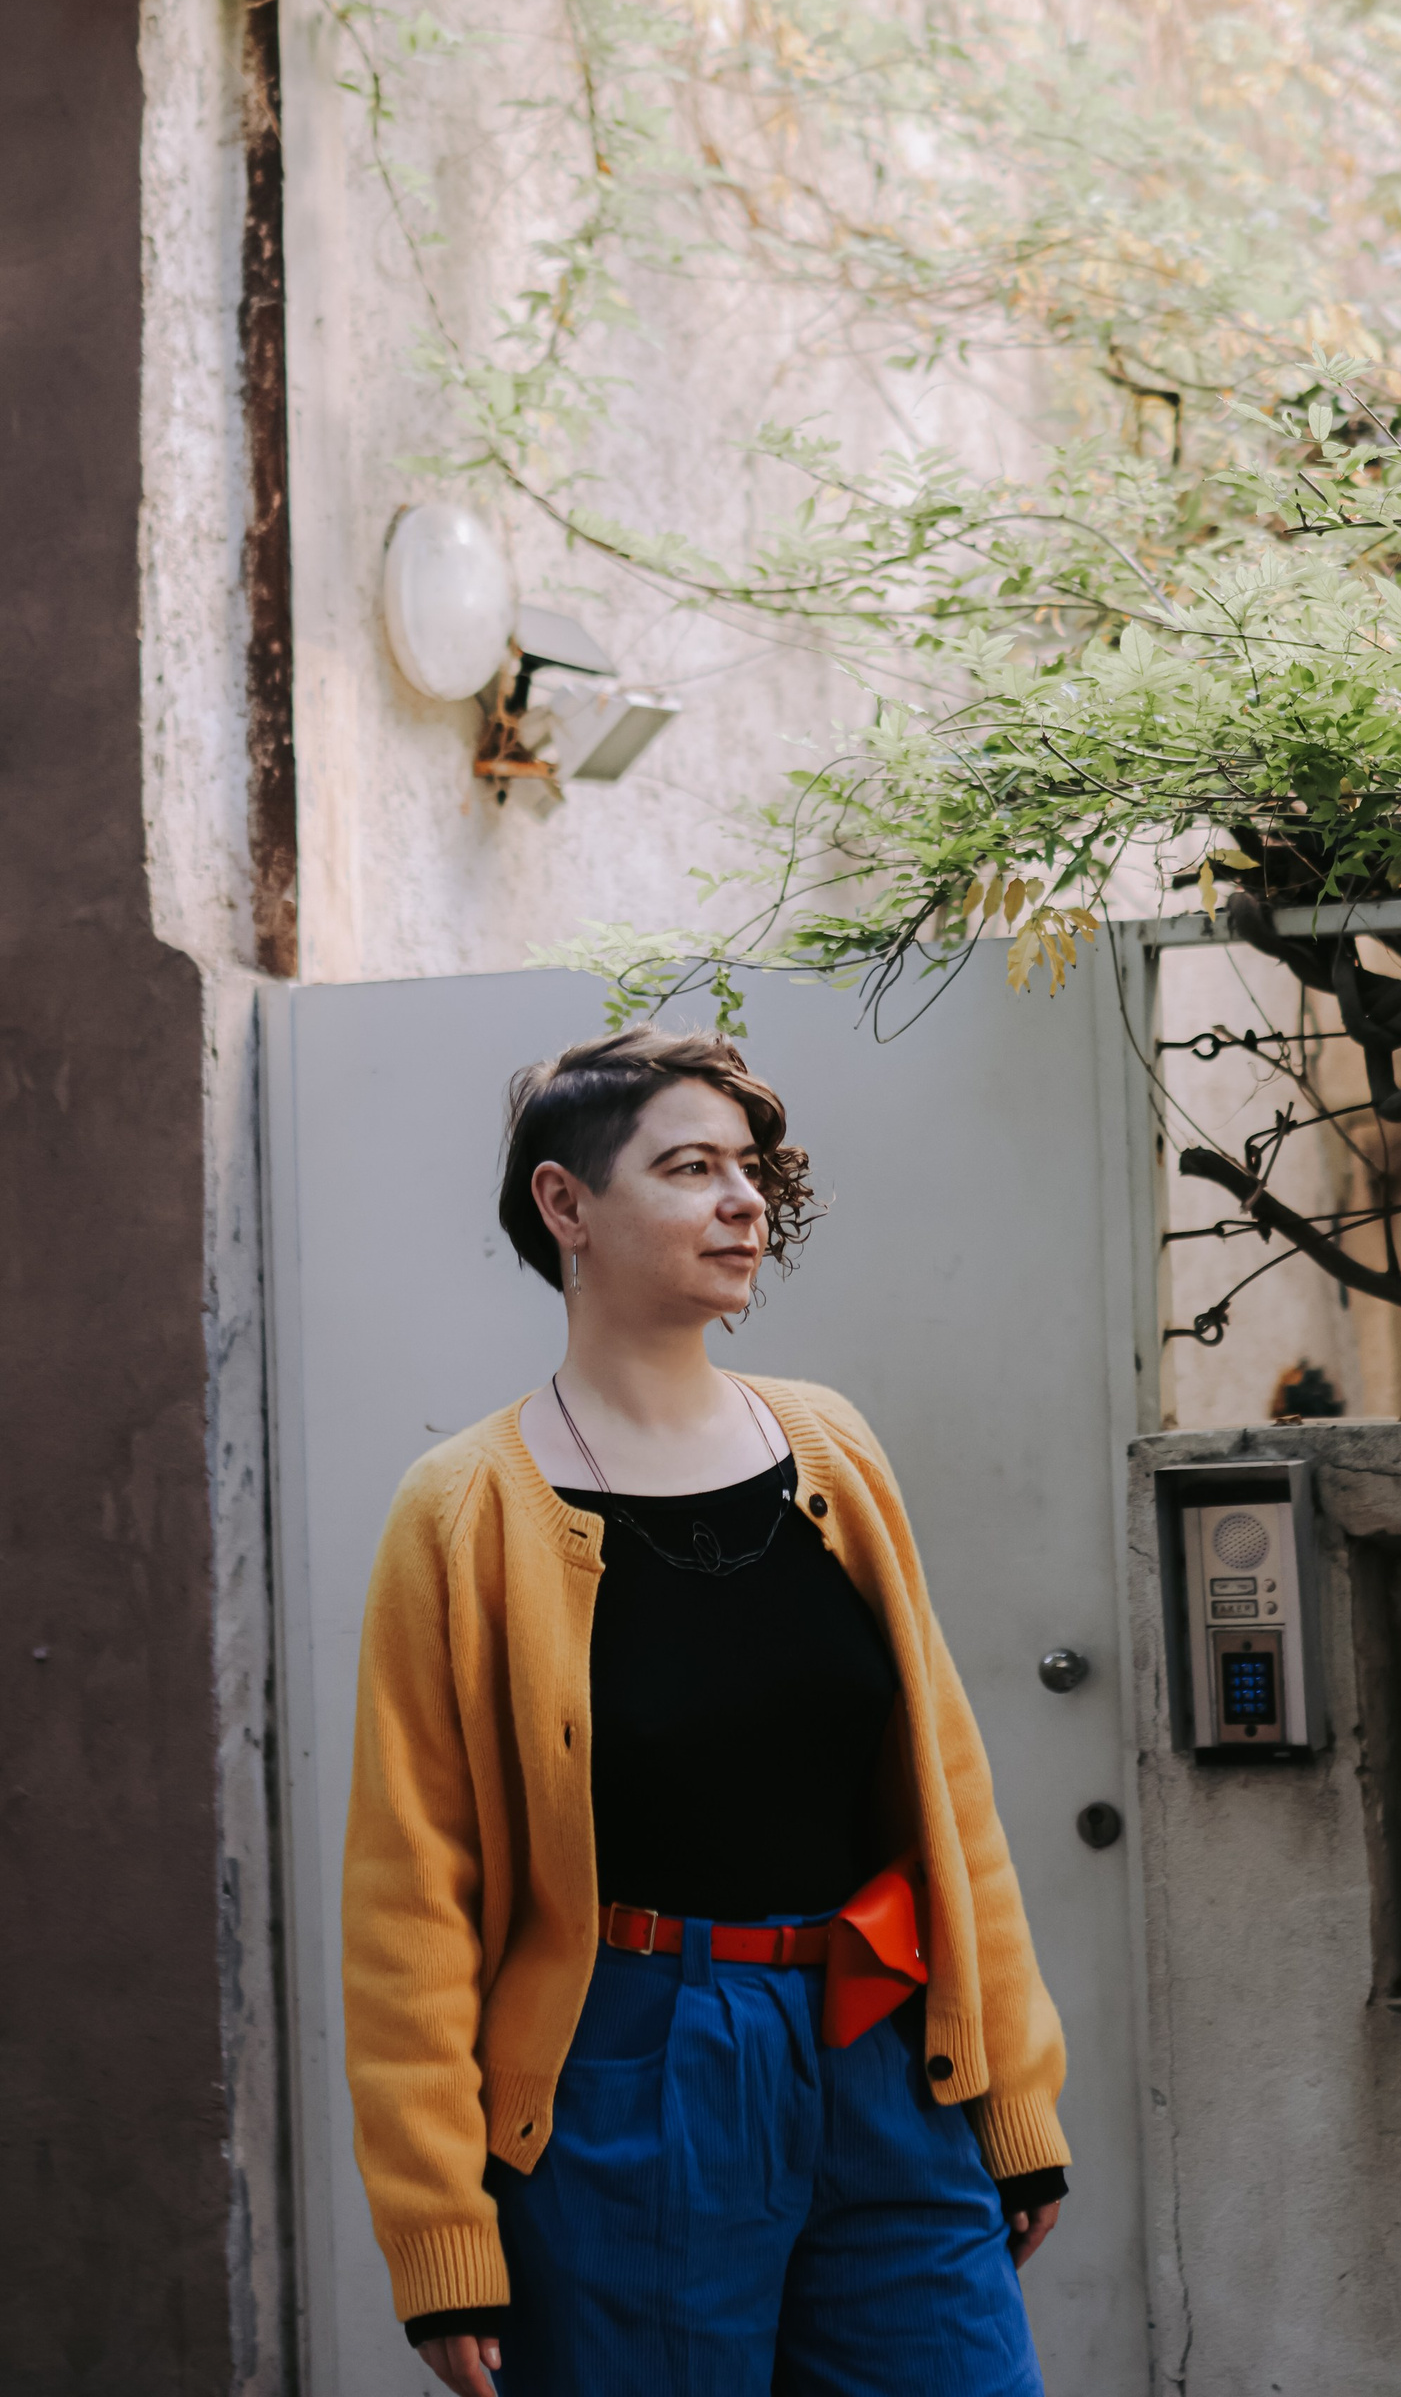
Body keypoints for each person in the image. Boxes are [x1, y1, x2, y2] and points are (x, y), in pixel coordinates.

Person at [341, 1025, 1069, 2397]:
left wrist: (1013, 2096)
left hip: (878, 2043)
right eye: (690, 1168)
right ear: (566, 1205)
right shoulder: (465, 1509)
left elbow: (949, 1796)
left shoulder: (832, 1445)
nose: (745, 1202)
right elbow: (409, 1904)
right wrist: (440, 2232)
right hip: (628, 2074)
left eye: (748, 1169)